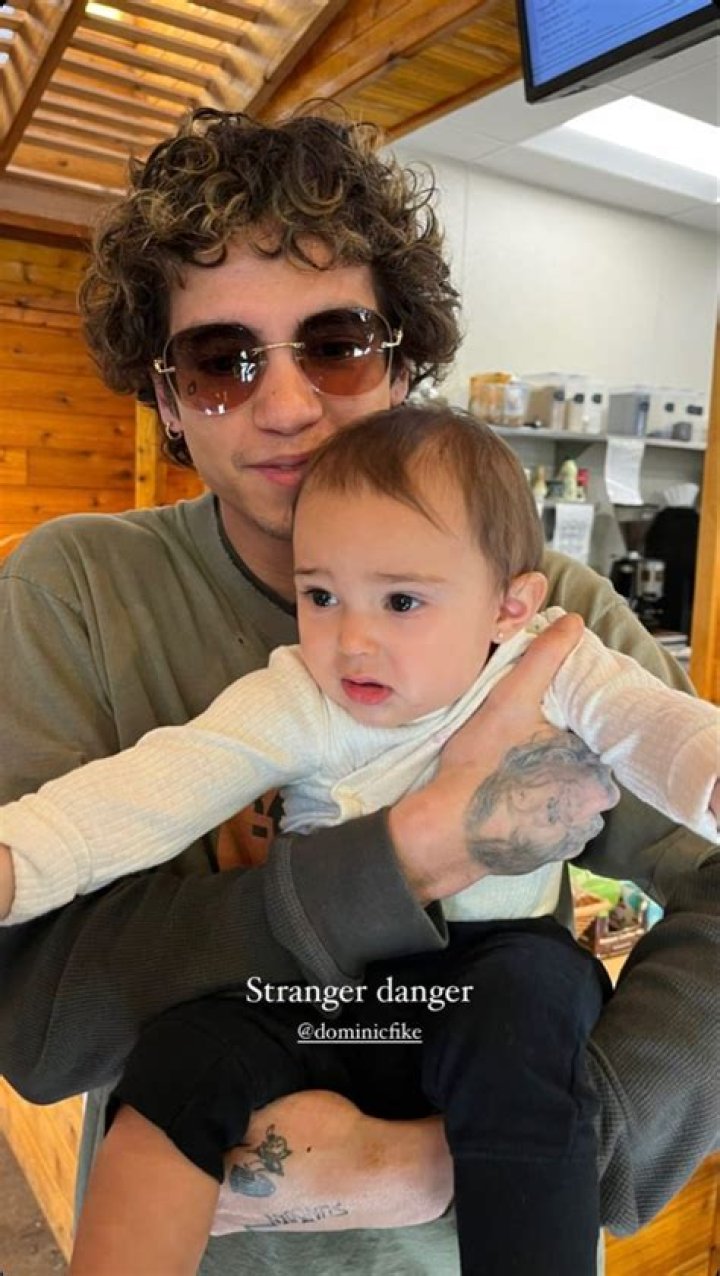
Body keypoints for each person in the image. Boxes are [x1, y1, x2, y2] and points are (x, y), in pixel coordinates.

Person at [0, 108, 717, 1276]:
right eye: (220, 360)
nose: (286, 403)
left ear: (403, 360)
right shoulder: (78, 592)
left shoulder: (547, 615)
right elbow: (39, 1021)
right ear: (166, 398)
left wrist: (472, 1155)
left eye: (335, 343)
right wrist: (411, 853)